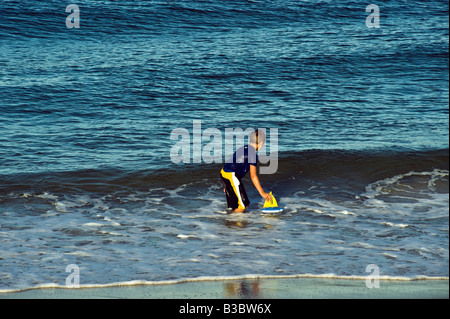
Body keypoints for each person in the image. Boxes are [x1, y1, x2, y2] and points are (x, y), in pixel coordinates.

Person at [220, 129, 272, 213]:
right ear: (261, 142)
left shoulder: (243, 148)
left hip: (224, 173)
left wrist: (227, 185)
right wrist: (262, 193)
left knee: (234, 205)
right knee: (243, 205)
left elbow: (231, 163)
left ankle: (229, 222)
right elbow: (253, 176)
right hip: (231, 175)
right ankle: (234, 223)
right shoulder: (253, 154)